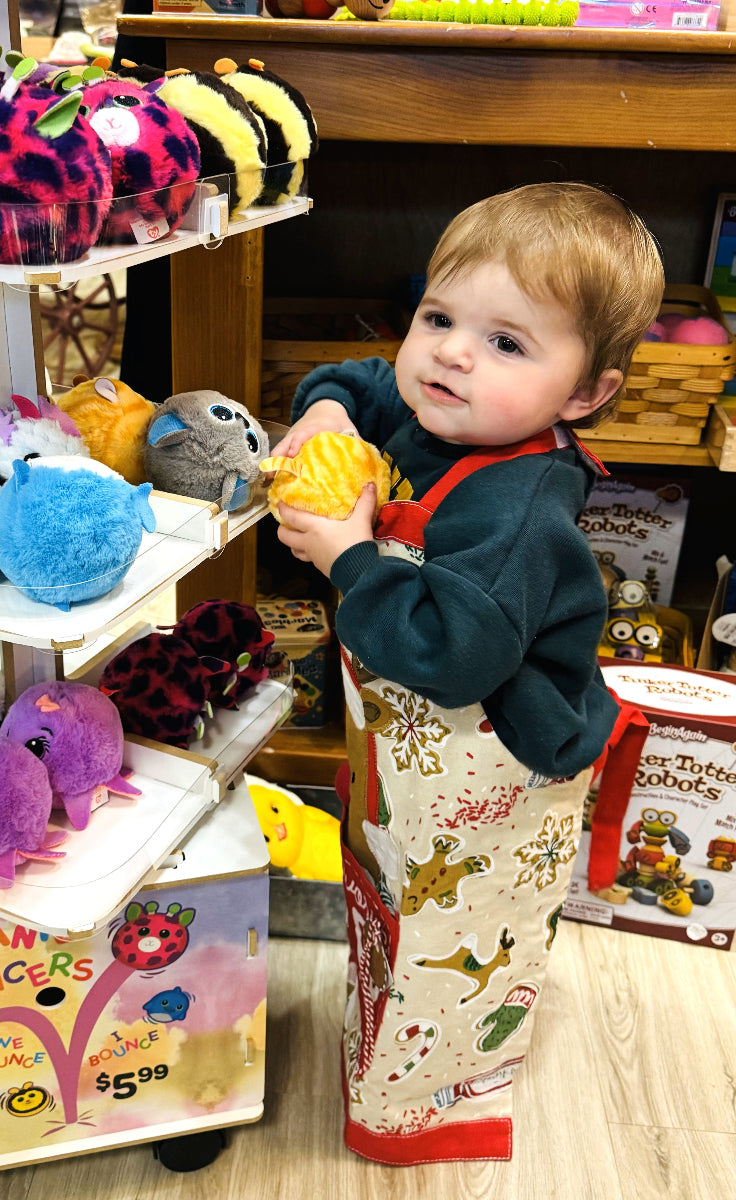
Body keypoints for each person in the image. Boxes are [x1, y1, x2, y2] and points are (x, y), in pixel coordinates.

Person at [271, 182, 664, 1165]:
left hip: (501, 761)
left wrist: (350, 559)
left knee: (460, 947)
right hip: (410, 755)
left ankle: (428, 1103)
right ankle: (381, 1040)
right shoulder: (442, 411)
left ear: (582, 395)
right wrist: (321, 414)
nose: (448, 353)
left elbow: (452, 659)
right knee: (392, 900)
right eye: (438, 317)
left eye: (506, 343)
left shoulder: (518, 510)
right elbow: (356, 377)